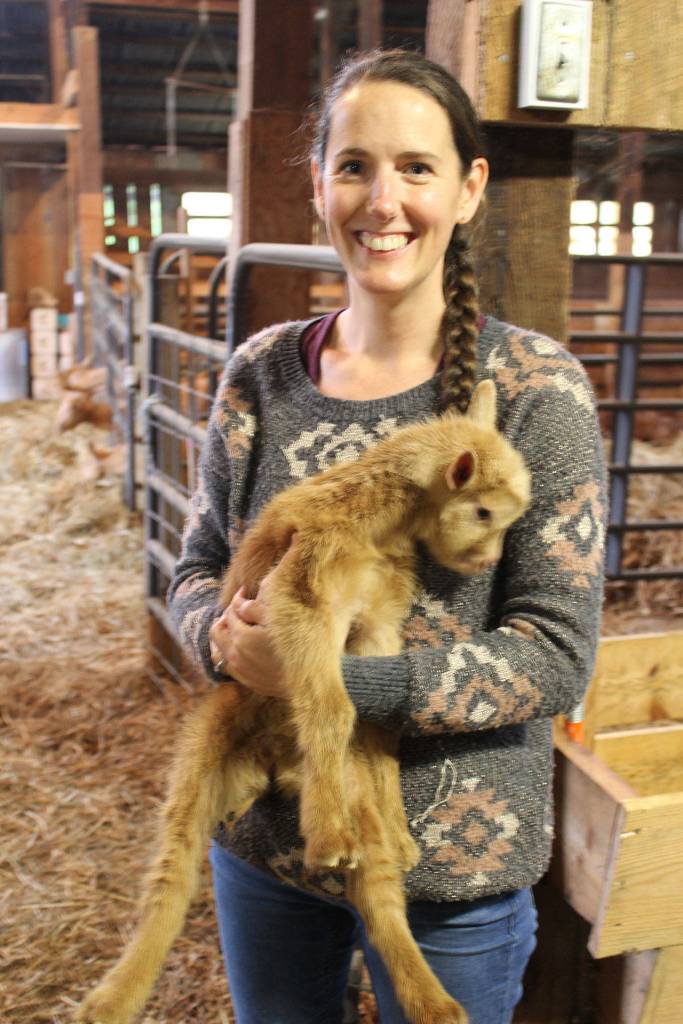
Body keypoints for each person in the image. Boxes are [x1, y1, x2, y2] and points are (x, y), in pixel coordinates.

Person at [167, 49, 605, 1024]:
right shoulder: (261, 374)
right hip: (270, 845)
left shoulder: (535, 391)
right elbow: (195, 565)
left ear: (468, 188)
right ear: (318, 183)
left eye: (415, 168)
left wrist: (323, 675)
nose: (383, 201)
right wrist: (222, 640)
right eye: (355, 166)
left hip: (448, 864)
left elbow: (553, 654)